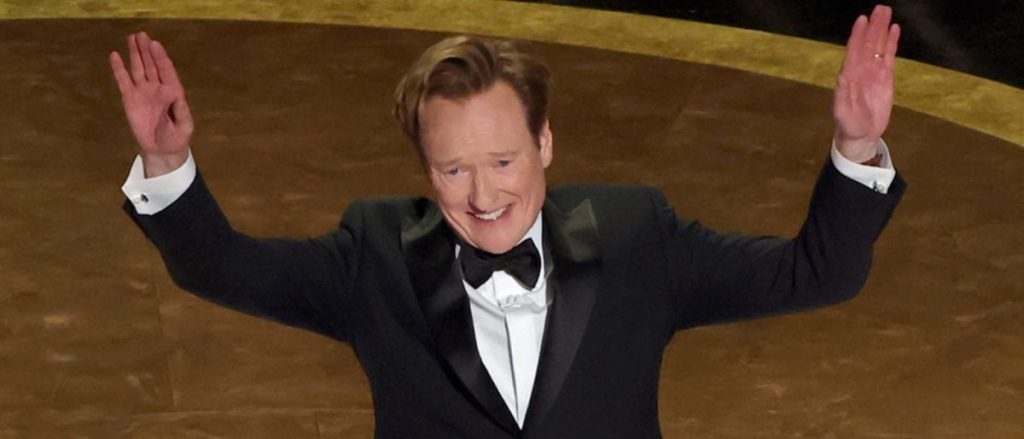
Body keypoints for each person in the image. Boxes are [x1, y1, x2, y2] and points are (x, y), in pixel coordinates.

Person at [111, 5, 905, 438]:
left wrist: (857, 144)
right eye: (453, 168)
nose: (482, 194)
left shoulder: (638, 235)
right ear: (425, 167)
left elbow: (819, 273)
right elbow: (221, 266)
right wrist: (166, 160)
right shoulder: (375, 255)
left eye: (503, 160)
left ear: (545, 142)